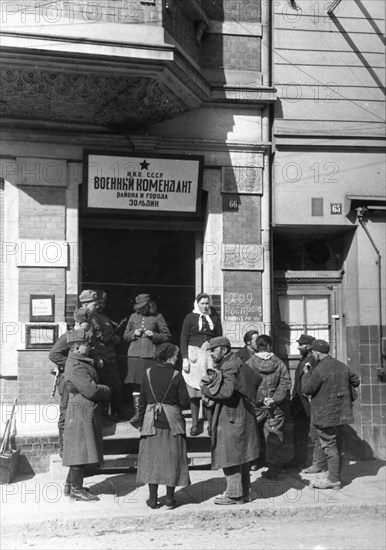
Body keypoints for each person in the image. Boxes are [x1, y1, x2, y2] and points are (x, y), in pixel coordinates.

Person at [200, 336, 261, 505]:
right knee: (240, 453)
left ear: (224, 350)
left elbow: (226, 392)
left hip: (232, 414)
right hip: (240, 412)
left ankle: (234, 494)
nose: (211, 354)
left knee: (230, 454)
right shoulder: (234, 362)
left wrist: (205, 390)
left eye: (213, 350)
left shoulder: (229, 365)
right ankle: (244, 493)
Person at [136, 343, 191, 509]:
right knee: (171, 460)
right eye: (176, 356)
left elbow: (142, 401)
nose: (177, 359)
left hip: (151, 423)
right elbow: (184, 402)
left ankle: (152, 499)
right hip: (172, 424)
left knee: (152, 460)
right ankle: (169, 499)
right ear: (169, 356)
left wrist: (140, 421)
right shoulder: (176, 375)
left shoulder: (147, 373)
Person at [302, 339, 360, 489]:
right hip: (341, 412)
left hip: (324, 413)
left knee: (328, 445)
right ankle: (335, 476)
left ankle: (333, 479)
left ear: (316, 353)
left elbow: (307, 389)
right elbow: (356, 380)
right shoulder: (342, 366)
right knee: (336, 443)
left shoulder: (319, 369)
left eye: (313, 353)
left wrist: (306, 374)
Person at [62, 328, 111, 501]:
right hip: (81, 409)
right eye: (85, 344)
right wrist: (106, 390)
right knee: (80, 449)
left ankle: (70, 486)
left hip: (82, 408)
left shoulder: (80, 361)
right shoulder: (76, 366)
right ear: (76, 348)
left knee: (79, 447)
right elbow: (90, 390)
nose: (88, 347)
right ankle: (76, 489)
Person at [246, 334, 291, 479]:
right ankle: (273, 469)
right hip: (274, 406)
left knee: (249, 433)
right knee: (274, 435)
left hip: (255, 405)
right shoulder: (279, 363)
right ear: (269, 346)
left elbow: (245, 385)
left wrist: (259, 399)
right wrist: (274, 399)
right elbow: (285, 383)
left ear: (256, 346)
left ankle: (250, 463)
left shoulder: (249, 363)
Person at [124, 294, 171, 426]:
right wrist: (134, 334)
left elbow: (167, 336)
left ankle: (150, 415)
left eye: (143, 307)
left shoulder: (158, 317)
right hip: (134, 356)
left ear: (149, 305)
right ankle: (138, 415)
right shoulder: (133, 317)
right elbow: (125, 336)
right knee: (136, 386)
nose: (141, 310)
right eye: (139, 307)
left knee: (151, 385)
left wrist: (154, 335)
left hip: (150, 355)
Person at [180, 292, 222, 436]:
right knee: (194, 392)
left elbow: (220, 339)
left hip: (208, 357)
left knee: (208, 390)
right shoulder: (189, 318)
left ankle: (210, 424)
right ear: (197, 304)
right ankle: (195, 425)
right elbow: (183, 339)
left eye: (206, 303)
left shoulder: (214, 318)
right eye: (202, 303)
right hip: (194, 357)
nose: (205, 306)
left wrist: (212, 346)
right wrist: (184, 358)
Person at [283, 334, 326, 472]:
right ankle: (298, 461)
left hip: (310, 404)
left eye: (301, 344)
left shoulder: (316, 361)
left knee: (314, 435)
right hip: (299, 404)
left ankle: (317, 463)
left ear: (308, 346)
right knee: (299, 433)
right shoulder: (304, 359)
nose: (298, 347)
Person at [93, 291, 126, 421]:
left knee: (115, 385)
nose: (101, 306)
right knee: (104, 387)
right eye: (99, 303)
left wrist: (116, 338)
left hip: (111, 356)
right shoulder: (92, 318)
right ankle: (104, 414)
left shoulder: (105, 318)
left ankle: (116, 413)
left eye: (103, 303)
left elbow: (111, 333)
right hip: (101, 357)